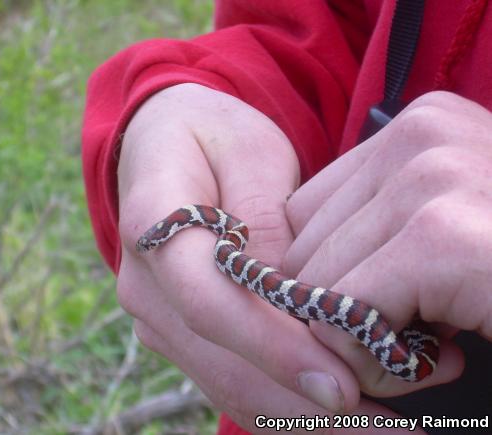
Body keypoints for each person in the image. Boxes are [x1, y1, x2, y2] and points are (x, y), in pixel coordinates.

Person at [82, 1, 492, 433]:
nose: (152, 242)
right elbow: (309, 27)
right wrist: (197, 93)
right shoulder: (232, 238)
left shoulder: (230, 248)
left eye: (155, 239)